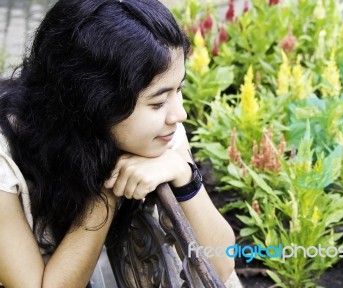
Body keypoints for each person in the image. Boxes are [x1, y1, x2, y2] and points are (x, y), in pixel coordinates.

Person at [0, 0, 241, 287]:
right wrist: (108, 191)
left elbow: (222, 267)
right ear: (96, 106)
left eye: (179, 89)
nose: (180, 114)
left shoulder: (157, 130)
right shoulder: (5, 158)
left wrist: (184, 174)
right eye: (158, 102)